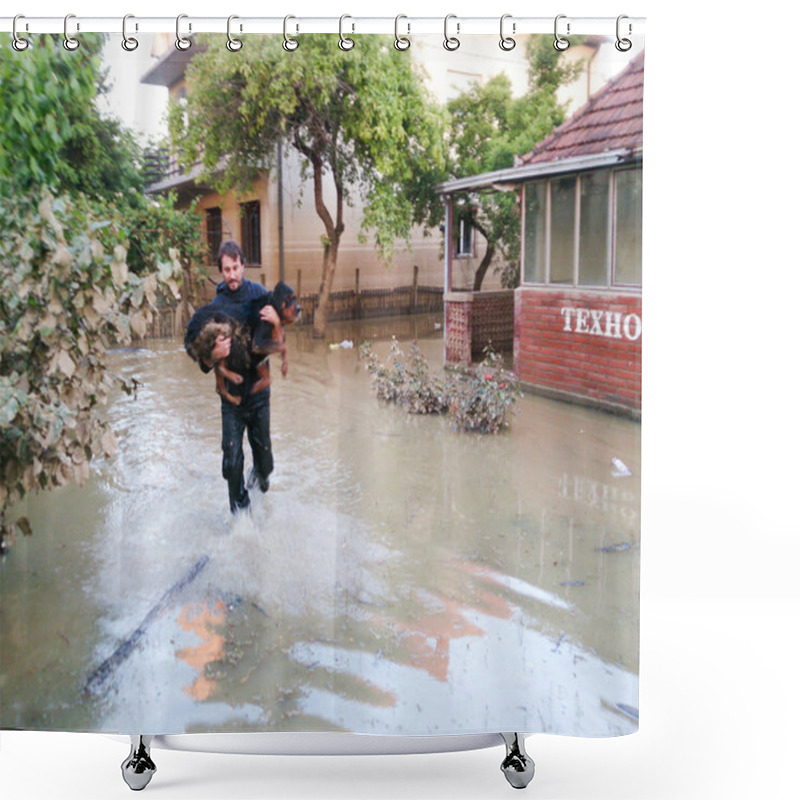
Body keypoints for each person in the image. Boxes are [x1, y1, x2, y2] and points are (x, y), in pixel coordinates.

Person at [188, 240, 281, 514]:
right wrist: (214, 354)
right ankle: (239, 517)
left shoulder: (260, 295)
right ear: (221, 271)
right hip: (232, 400)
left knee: (265, 463)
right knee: (231, 462)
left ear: (243, 265)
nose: (231, 274)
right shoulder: (215, 307)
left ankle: (259, 480)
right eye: (226, 269)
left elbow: (275, 342)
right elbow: (203, 362)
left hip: (259, 396)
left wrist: (275, 322)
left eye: (235, 268)